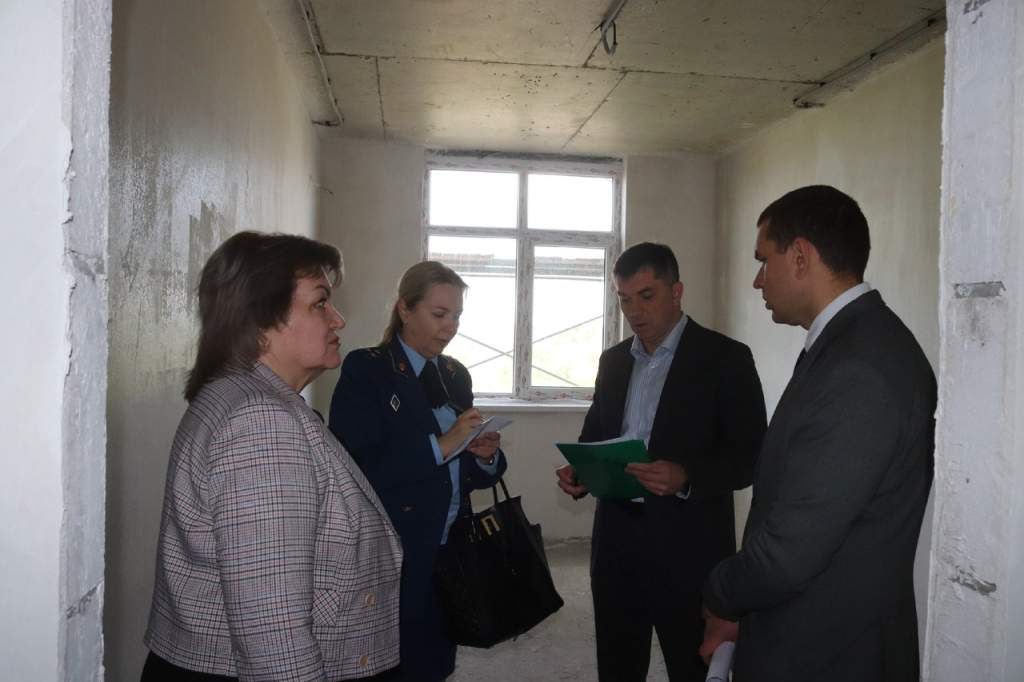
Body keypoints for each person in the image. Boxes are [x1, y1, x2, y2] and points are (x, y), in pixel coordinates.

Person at [142, 231, 403, 682]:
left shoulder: (238, 395)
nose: (338, 319)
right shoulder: (262, 423)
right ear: (261, 319)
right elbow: (272, 631)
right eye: (320, 303)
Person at [701, 186, 937, 682]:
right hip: (814, 632)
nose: (757, 280)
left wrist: (720, 592)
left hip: (832, 650)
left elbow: (789, 552)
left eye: (763, 260)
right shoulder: (849, 343)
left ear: (800, 257)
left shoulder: (861, 366)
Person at [555, 242, 767, 682]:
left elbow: (750, 457)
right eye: (624, 299)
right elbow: (594, 435)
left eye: (646, 296)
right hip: (616, 542)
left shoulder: (726, 358)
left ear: (677, 292)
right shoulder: (613, 361)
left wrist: (686, 477)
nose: (634, 311)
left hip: (689, 545)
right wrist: (582, 471)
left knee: (691, 664)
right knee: (618, 664)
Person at [329, 261, 507, 682]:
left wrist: (484, 455)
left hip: (450, 541)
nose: (451, 327)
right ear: (405, 310)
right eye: (439, 314)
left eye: (457, 316)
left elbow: (468, 471)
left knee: (437, 657)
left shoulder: (454, 374)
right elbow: (355, 465)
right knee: (392, 658)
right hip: (394, 545)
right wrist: (443, 445)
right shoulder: (367, 369)